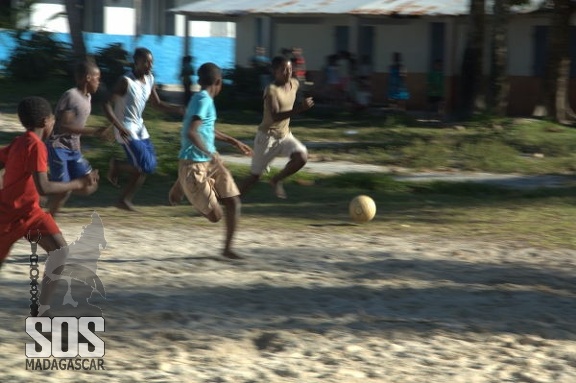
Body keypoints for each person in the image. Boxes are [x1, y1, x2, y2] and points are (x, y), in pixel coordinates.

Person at [0, 96, 99, 315]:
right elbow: (43, 186)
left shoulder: (19, 142)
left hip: (31, 213)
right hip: (8, 216)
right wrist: (78, 182)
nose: (54, 122)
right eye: (53, 119)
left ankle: (42, 312)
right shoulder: (36, 146)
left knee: (60, 251)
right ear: (46, 121)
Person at [167, 63, 252, 259]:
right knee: (216, 216)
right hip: (194, 163)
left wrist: (233, 141)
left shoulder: (201, 100)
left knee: (233, 201)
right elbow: (191, 131)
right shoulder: (203, 100)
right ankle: (183, 183)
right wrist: (208, 151)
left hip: (211, 160)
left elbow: (206, 128)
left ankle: (227, 249)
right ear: (218, 82)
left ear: (199, 81)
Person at [104, 47, 184, 212]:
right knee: (144, 166)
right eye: (146, 62)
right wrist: (118, 126)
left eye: (151, 62)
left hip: (140, 127)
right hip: (125, 128)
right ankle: (117, 166)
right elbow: (105, 104)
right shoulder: (125, 81)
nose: (149, 65)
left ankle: (123, 200)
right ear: (136, 62)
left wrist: (178, 109)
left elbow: (157, 104)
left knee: (150, 165)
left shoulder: (150, 79)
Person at [240, 56, 314, 199]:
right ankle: (231, 200)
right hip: (266, 137)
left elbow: (307, 91)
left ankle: (276, 180)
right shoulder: (271, 90)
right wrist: (300, 108)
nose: (288, 72)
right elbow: (275, 116)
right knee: (254, 177)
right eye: (284, 70)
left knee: (302, 157)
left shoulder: (294, 84)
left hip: (285, 135)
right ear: (275, 72)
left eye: (290, 69)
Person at [45, 60, 107, 217]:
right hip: (58, 148)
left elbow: (75, 129)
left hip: (73, 149)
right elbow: (62, 127)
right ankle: (47, 220)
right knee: (64, 190)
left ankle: (48, 184)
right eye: (97, 78)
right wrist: (93, 131)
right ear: (87, 77)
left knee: (89, 184)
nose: (99, 82)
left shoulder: (88, 98)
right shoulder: (71, 96)